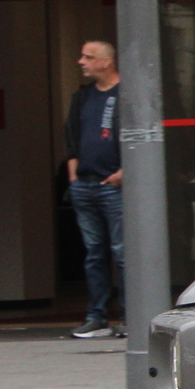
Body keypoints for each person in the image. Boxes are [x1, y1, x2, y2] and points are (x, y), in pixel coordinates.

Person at [64, 38, 124, 339]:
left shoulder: (126, 95)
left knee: (123, 252)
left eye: (88, 57)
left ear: (106, 62)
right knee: (94, 254)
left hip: (114, 187)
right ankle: (97, 317)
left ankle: (130, 317)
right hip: (84, 186)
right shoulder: (83, 97)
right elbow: (71, 138)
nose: (81, 61)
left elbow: (138, 137)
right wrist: (74, 177)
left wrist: (123, 174)